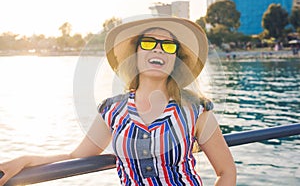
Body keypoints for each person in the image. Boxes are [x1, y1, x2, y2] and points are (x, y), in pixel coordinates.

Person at [0, 16, 236, 186]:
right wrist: (26, 160)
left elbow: (226, 172)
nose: (158, 50)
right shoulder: (112, 110)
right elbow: (75, 157)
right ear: (136, 53)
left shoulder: (197, 110)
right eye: (148, 42)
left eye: (168, 45)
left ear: (176, 59)